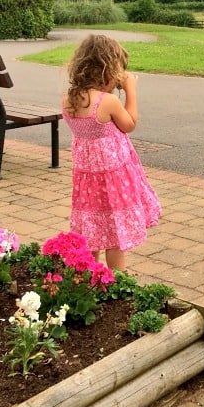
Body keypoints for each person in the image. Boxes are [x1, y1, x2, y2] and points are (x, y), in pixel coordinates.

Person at [62, 34, 161, 272]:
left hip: (87, 183)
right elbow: (129, 124)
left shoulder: (69, 99)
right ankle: (118, 282)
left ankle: (87, 278)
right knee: (115, 235)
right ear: (108, 68)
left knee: (91, 229)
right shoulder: (106, 101)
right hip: (113, 182)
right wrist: (130, 90)